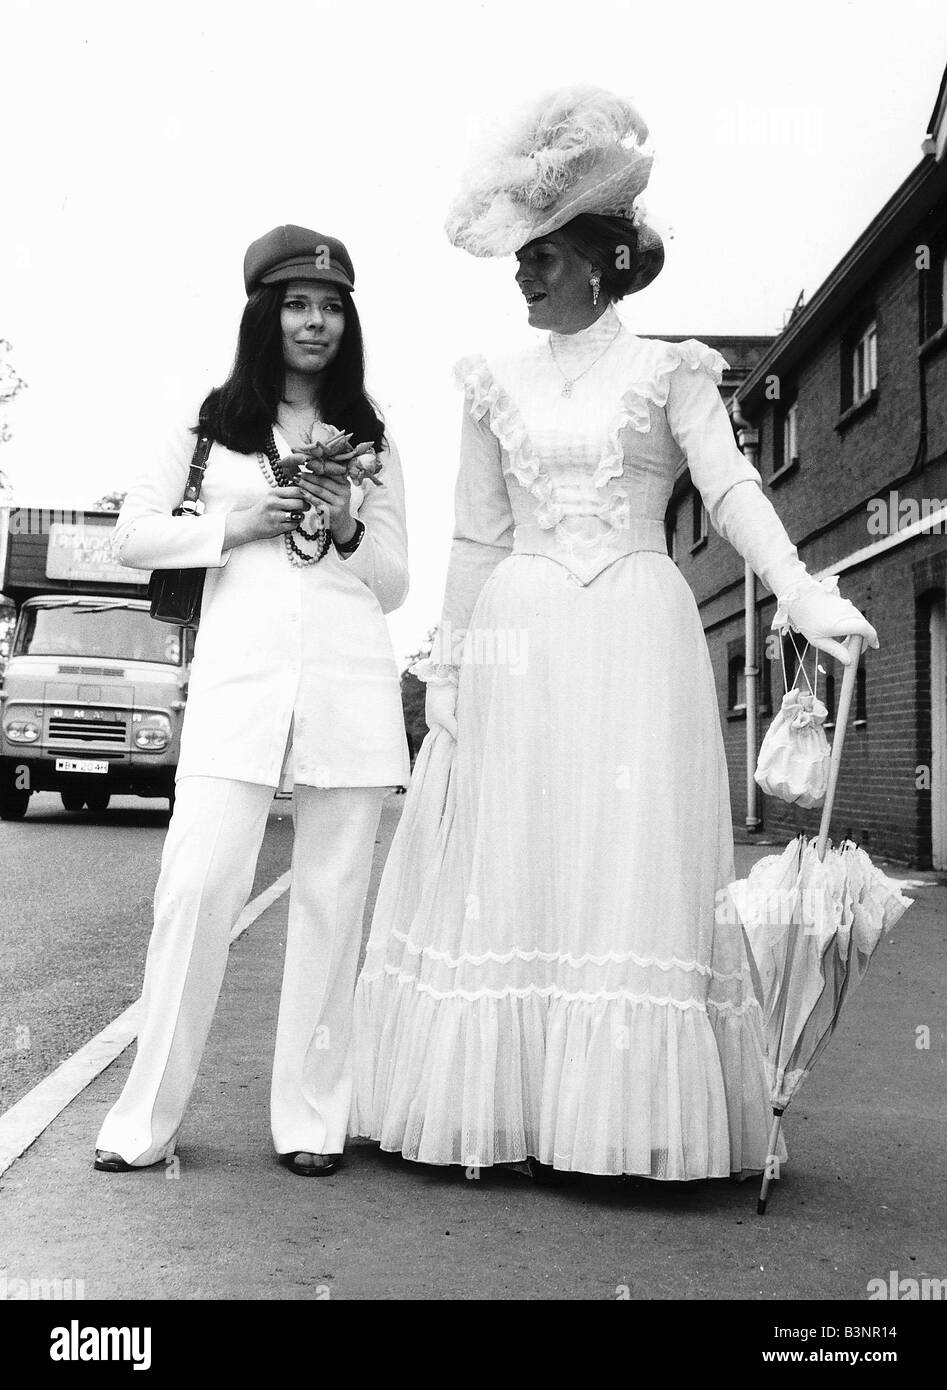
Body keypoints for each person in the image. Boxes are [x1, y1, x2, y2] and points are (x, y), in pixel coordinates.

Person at [350, 88, 877, 1181]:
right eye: (519, 258)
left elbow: (729, 487)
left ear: (597, 258)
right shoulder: (491, 382)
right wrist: (447, 667)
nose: (522, 273)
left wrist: (798, 589)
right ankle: (524, 1109)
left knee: (623, 860)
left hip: (638, 634)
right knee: (521, 855)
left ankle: (620, 1119)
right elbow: (475, 537)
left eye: (540, 254)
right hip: (519, 638)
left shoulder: (668, 370)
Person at [95, 224, 410, 1177]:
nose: (315, 321)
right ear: (264, 315)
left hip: (350, 693)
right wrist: (236, 524)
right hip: (237, 694)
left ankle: (311, 1120)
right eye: (297, 304)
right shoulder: (210, 423)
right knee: (193, 893)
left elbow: (394, 582)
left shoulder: (374, 433)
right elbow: (133, 535)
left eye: (330, 307)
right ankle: (143, 1121)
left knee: (330, 906)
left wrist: (345, 519)